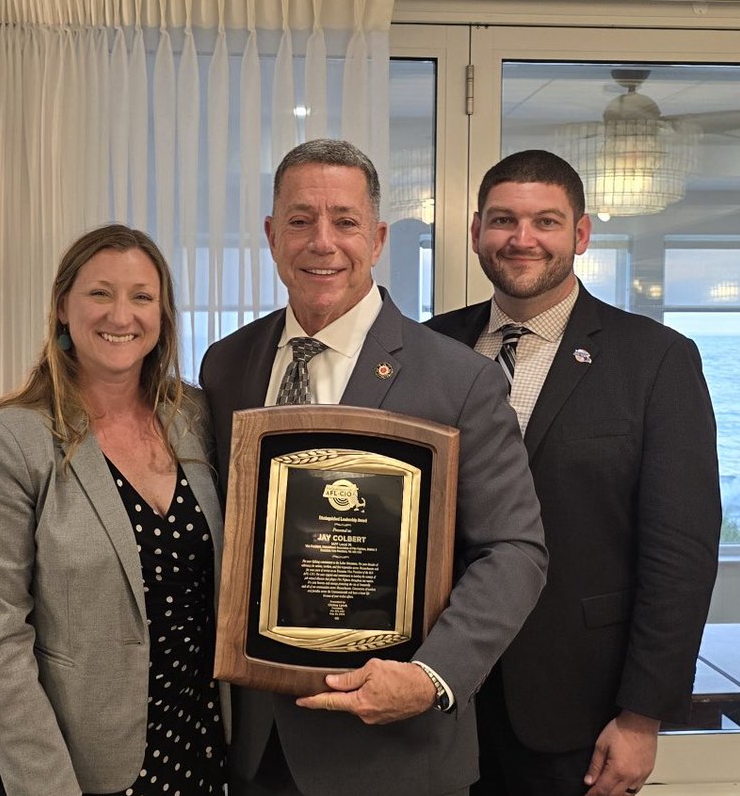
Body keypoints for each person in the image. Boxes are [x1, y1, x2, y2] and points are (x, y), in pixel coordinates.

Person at [199, 138, 549, 796]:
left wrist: (430, 676)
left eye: (345, 221)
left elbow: (515, 550)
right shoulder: (227, 364)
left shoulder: (458, 379)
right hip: (255, 747)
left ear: (379, 237)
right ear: (273, 235)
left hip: (396, 751)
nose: (321, 242)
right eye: (300, 220)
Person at [427, 149, 722, 796]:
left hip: (578, 711)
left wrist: (643, 715)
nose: (522, 238)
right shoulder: (427, 347)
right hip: (433, 697)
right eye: (504, 220)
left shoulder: (655, 359)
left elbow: (682, 551)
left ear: (581, 235)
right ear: (477, 229)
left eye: (546, 222)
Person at [0, 224, 227, 796]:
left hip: (200, 745)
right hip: (74, 766)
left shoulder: (193, 417)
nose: (120, 315)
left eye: (141, 297)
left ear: (163, 314)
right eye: (100, 293)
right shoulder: (10, 442)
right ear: (62, 308)